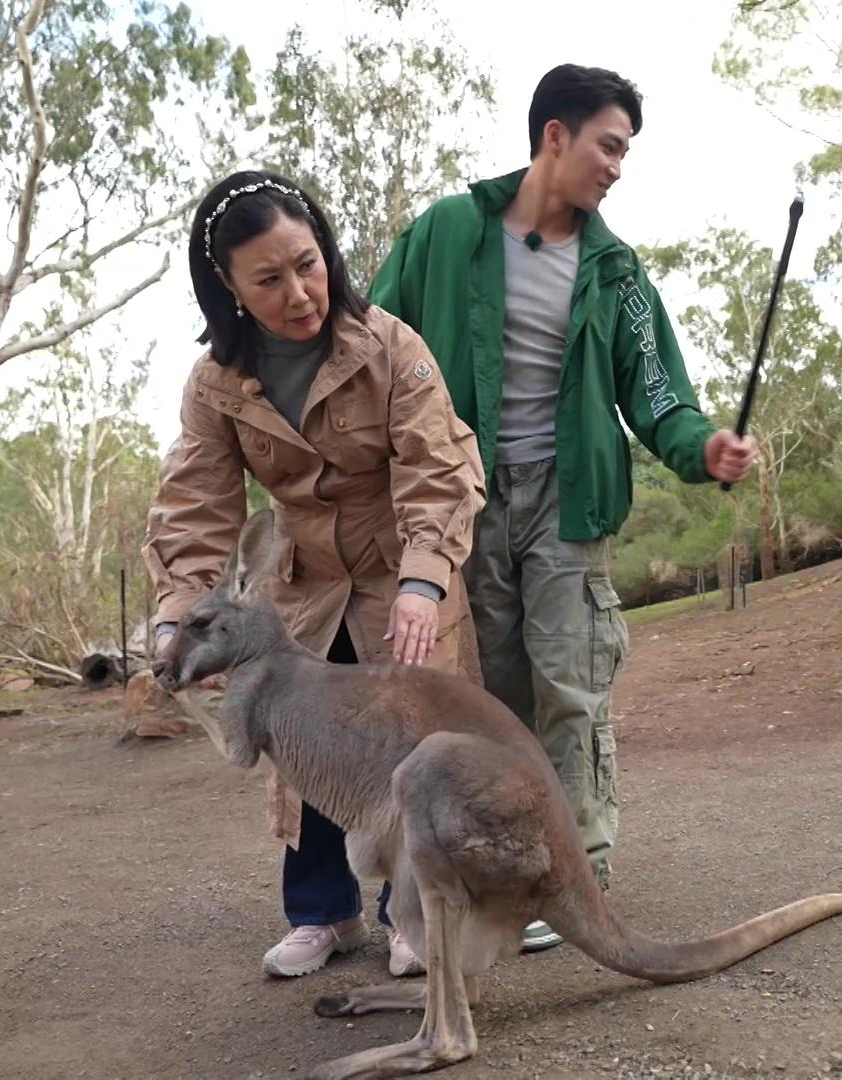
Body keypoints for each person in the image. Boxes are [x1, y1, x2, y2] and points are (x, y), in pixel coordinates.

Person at [370, 64, 757, 952]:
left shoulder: (616, 272)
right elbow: (372, 343)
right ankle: (507, 868)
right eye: (608, 146)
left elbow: (658, 391)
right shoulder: (446, 232)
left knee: (571, 688)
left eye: (625, 153)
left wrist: (703, 447)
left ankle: (576, 878)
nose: (617, 167)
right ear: (555, 135)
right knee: (493, 700)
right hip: (465, 501)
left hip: (566, 501)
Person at [144, 169, 485, 981]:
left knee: (406, 745)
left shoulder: (390, 345)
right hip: (302, 584)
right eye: (268, 279)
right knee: (301, 739)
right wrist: (177, 616)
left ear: (326, 250)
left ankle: (409, 914)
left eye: (308, 263)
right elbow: (196, 504)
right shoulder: (216, 384)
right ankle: (322, 912)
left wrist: (424, 581)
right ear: (228, 287)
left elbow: (437, 468)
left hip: (402, 571)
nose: (298, 293)